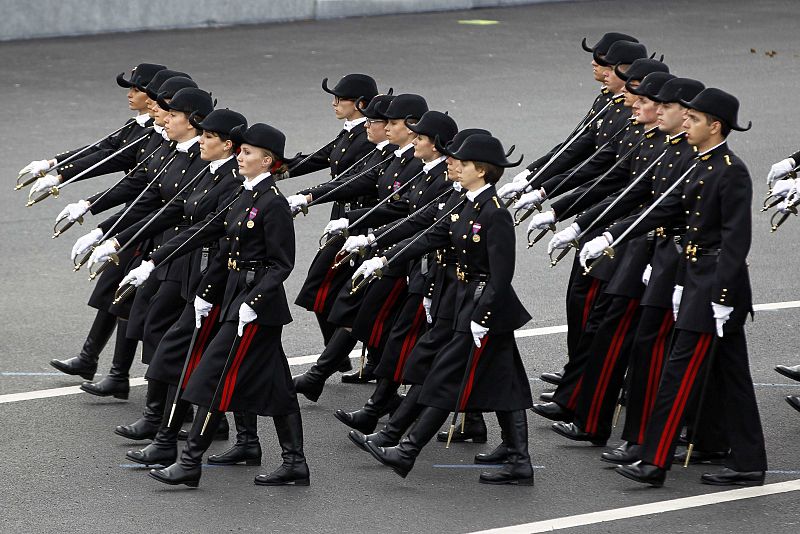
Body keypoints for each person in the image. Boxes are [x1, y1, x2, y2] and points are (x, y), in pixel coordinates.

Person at [581, 88, 768, 487]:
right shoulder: (700, 165)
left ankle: (654, 460)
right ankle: (750, 461)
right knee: (732, 376)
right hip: (696, 278)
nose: (687, 122)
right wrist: (609, 235)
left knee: (677, 373)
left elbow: (736, 240)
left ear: (715, 126)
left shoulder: (730, 170)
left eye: (695, 119)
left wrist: (721, 297)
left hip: (714, 286)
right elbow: (664, 209)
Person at [355, 134, 534, 485]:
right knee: (506, 381)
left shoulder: (495, 214)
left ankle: (406, 451)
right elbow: (428, 237)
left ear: (481, 170)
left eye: (463, 164)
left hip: (485, 308)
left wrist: (482, 317)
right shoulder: (466, 204)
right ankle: (518, 457)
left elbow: (502, 274)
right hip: (467, 301)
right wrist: (382, 259)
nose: (456, 167)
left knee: (443, 377)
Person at [147, 123, 308, 488]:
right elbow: (215, 239)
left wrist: (252, 302)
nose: (240, 156)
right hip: (236, 297)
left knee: (213, 378)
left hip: (255, 307)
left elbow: (282, 264)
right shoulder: (245, 195)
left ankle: (190, 462)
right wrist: (161, 265)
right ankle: (295, 462)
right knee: (279, 386)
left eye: (248, 153)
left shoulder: (273, 203)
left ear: (267, 161)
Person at [103, 108, 246, 448]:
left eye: (209, 137)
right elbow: (173, 209)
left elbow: (212, 231)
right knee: (172, 337)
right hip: (186, 263)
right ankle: (176, 421)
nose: (203, 141)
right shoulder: (209, 172)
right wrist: (119, 239)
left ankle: (170, 424)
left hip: (210, 272)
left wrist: (160, 262)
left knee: (195, 346)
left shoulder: (232, 180)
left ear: (227, 145)